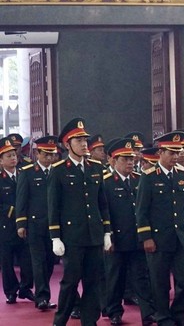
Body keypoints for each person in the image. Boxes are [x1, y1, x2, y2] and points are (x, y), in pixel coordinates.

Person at [48, 117, 112, 326]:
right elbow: (54, 206)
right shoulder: (59, 170)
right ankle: (60, 321)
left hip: (94, 235)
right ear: (67, 145)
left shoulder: (95, 167)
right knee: (70, 283)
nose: (85, 144)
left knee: (94, 283)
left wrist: (106, 232)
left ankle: (89, 321)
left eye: (85, 139)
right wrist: (55, 237)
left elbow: (102, 203)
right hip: (72, 237)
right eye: (78, 140)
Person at [136, 131, 184, 326]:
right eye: (171, 153)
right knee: (160, 281)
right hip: (158, 238)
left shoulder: (182, 174)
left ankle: (179, 313)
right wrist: (146, 237)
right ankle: (163, 316)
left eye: (178, 152)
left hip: (181, 236)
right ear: (161, 153)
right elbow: (141, 210)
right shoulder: (148, 177)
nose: (176, 156)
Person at [101, 138, 156, 326]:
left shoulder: (140, 180)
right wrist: (107, 235)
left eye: (132, 159)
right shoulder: (106, 182)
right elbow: (104, 211)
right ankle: (114, 311)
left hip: (137, 238)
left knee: (141, 277)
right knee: (115, 277)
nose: (130, 162)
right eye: (125, 159)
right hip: (117, 238)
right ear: (113, 161)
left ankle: (148, 313)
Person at [16, 135, 59, 310]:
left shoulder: (57, 171)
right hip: (35, 225)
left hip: (54, 225)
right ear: (36, 153)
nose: (49, 158)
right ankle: (42, 297)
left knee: (50, 262)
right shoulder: (27, 172)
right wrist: (21, 224)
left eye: (52, 155)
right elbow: (21, 200)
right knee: (38, 262)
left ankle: (44, 291)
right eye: (46, 154)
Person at [1, 136, 34, 305]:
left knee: (27, 259)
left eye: (14, 155)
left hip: (24, 223)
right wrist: (14, 211)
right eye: (8, 156)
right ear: (1, 160)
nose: (13, 158)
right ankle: (11, 291)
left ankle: (26, 288)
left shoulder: (24, 173)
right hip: (5, 226)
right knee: (7, 262)